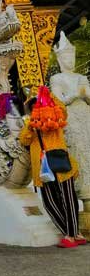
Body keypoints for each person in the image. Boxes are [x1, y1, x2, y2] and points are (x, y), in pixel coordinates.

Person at [19, 86, 86, 248]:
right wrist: (30, 125)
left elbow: (63, 109)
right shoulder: (30, 124)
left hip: (60, 162)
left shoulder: (56, 117)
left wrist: (49, 95)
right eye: (33, 105)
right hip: (43, 168)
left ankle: (71, 236)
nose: (37, 106)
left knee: (68, 199)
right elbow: (24, 141)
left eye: (38, 103)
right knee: (49, 202)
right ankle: (73, 233)